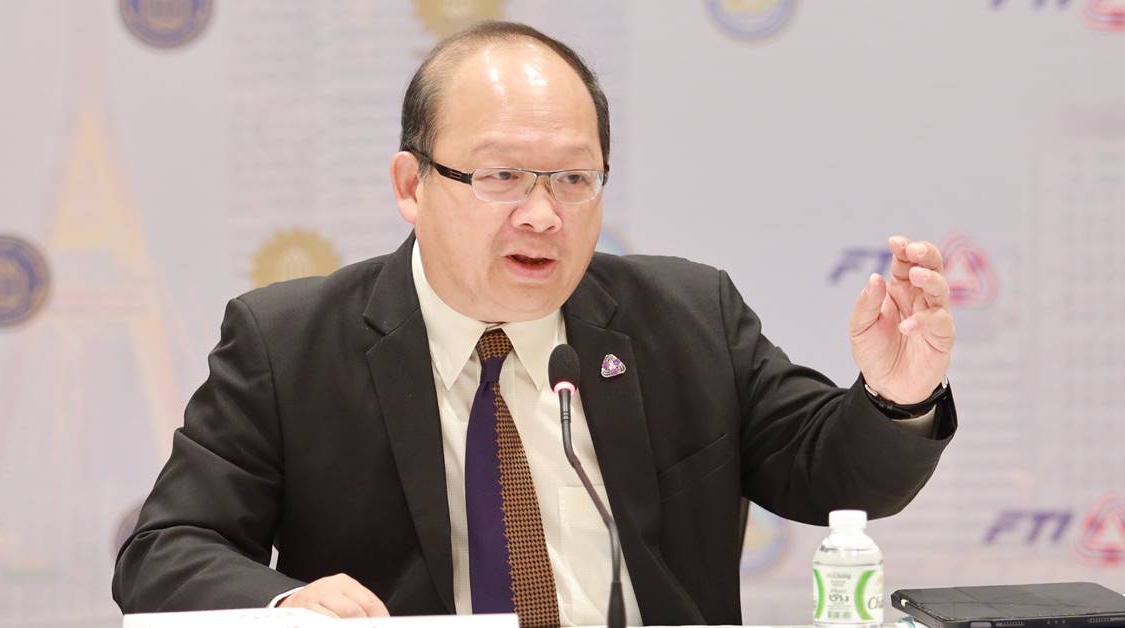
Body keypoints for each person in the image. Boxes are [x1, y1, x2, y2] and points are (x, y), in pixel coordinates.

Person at [113, 21, 956, 627]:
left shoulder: (686, 317)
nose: (544, 216)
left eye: (574, 180)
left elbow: (833, 477)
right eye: (503, 177)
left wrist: (898, 397)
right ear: (411, 185)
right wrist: (287, 603)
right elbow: (166, 550)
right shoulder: (289, 345)